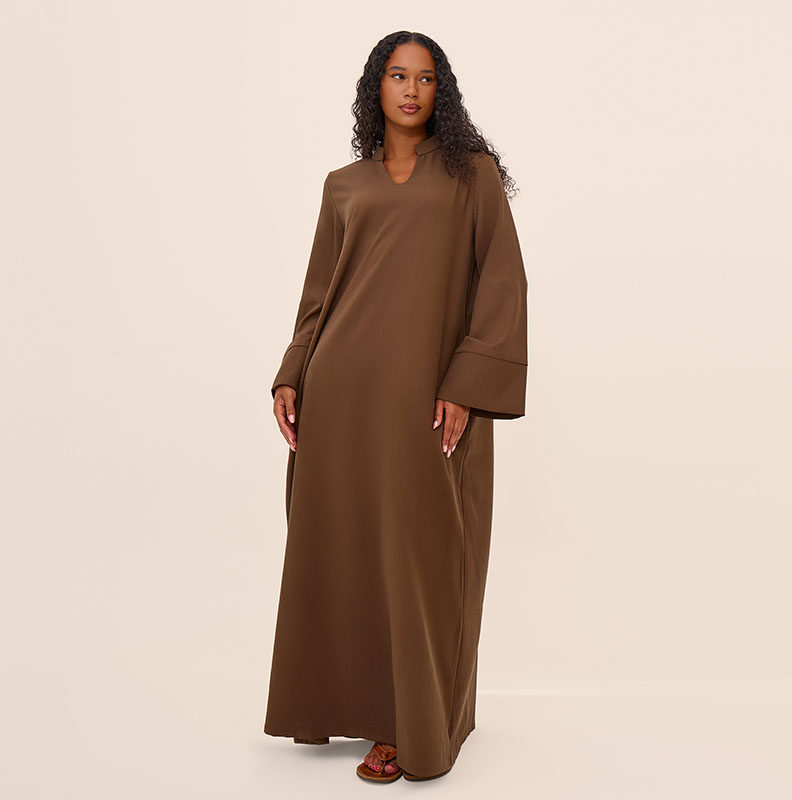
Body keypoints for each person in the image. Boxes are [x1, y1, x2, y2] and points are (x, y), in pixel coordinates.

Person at [263, 30, 528, 783]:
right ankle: (350, 708)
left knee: (422, 560)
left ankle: (412, 721)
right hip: (340, 397)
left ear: (442, 92)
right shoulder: (343, 185)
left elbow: (503, 281)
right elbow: (320, 294)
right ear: (374, 87)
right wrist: (292, 372)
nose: (411, 89)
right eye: (397, 75)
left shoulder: (471, 175)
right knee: (342, 552)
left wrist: (465, 385)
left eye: (426, 78)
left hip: (423, 403)